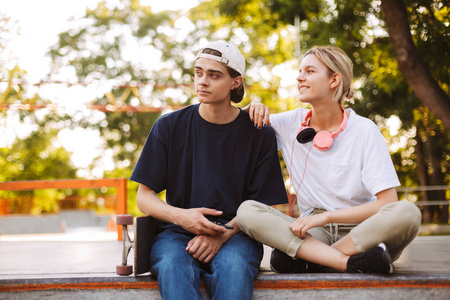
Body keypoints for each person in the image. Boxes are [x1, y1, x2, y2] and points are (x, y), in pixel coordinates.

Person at [237, 45, 422, 274]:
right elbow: (237, 128)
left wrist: (326, 218)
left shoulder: (364, 130)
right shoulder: (289, 123)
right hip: (315, 233)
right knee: (247, 211)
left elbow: (386, 203)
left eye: (309, 71)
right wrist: (251, 108)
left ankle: (312, 259)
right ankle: (352, 262)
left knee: (408, 212)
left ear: (334, 80)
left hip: (363, 229)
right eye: (300, 71)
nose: (299, 77)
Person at [130, 40, 288, 300]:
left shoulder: (259, 134)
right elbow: (144, 197)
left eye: (214, 75)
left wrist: (221, 235)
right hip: (177, 233)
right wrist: (183, 217)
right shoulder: (168, 127)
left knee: (234, 269)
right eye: (198, 72)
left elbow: (263, 206)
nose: (202, 81)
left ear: (235, 82)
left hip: (238, 233)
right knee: (172, 267)